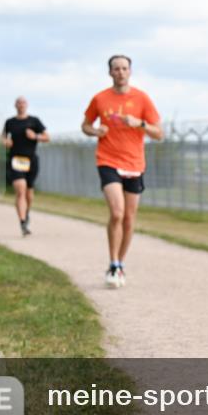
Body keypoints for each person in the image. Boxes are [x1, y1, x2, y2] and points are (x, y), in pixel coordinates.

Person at [81, 55, 162, 288]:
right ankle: (113, 261)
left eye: (124, 68)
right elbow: (85, 125)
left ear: (130, 71)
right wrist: (96, 132)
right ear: (110, 72)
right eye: (116, 68)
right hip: (107, 160)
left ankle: (120, 263)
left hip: (134, 163)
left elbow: (159, 133)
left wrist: (141, 124)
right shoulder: (100, 98)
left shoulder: (142, 98)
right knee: (117, 212)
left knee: (129, 217)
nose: (120, 72)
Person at [2, 96, 49, 236]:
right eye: (19, 103)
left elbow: (47, 137)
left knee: (29, 192)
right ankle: (22, 222)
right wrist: (5, 142)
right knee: (20, 190)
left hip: (31, 160)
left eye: (23, 103)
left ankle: (26, 212)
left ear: (26, 105)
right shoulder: (10, 122)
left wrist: (35, 136)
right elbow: (2, 136)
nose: (21, 105)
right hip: (16, 159)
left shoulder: (34, 121)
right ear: (15, 105)